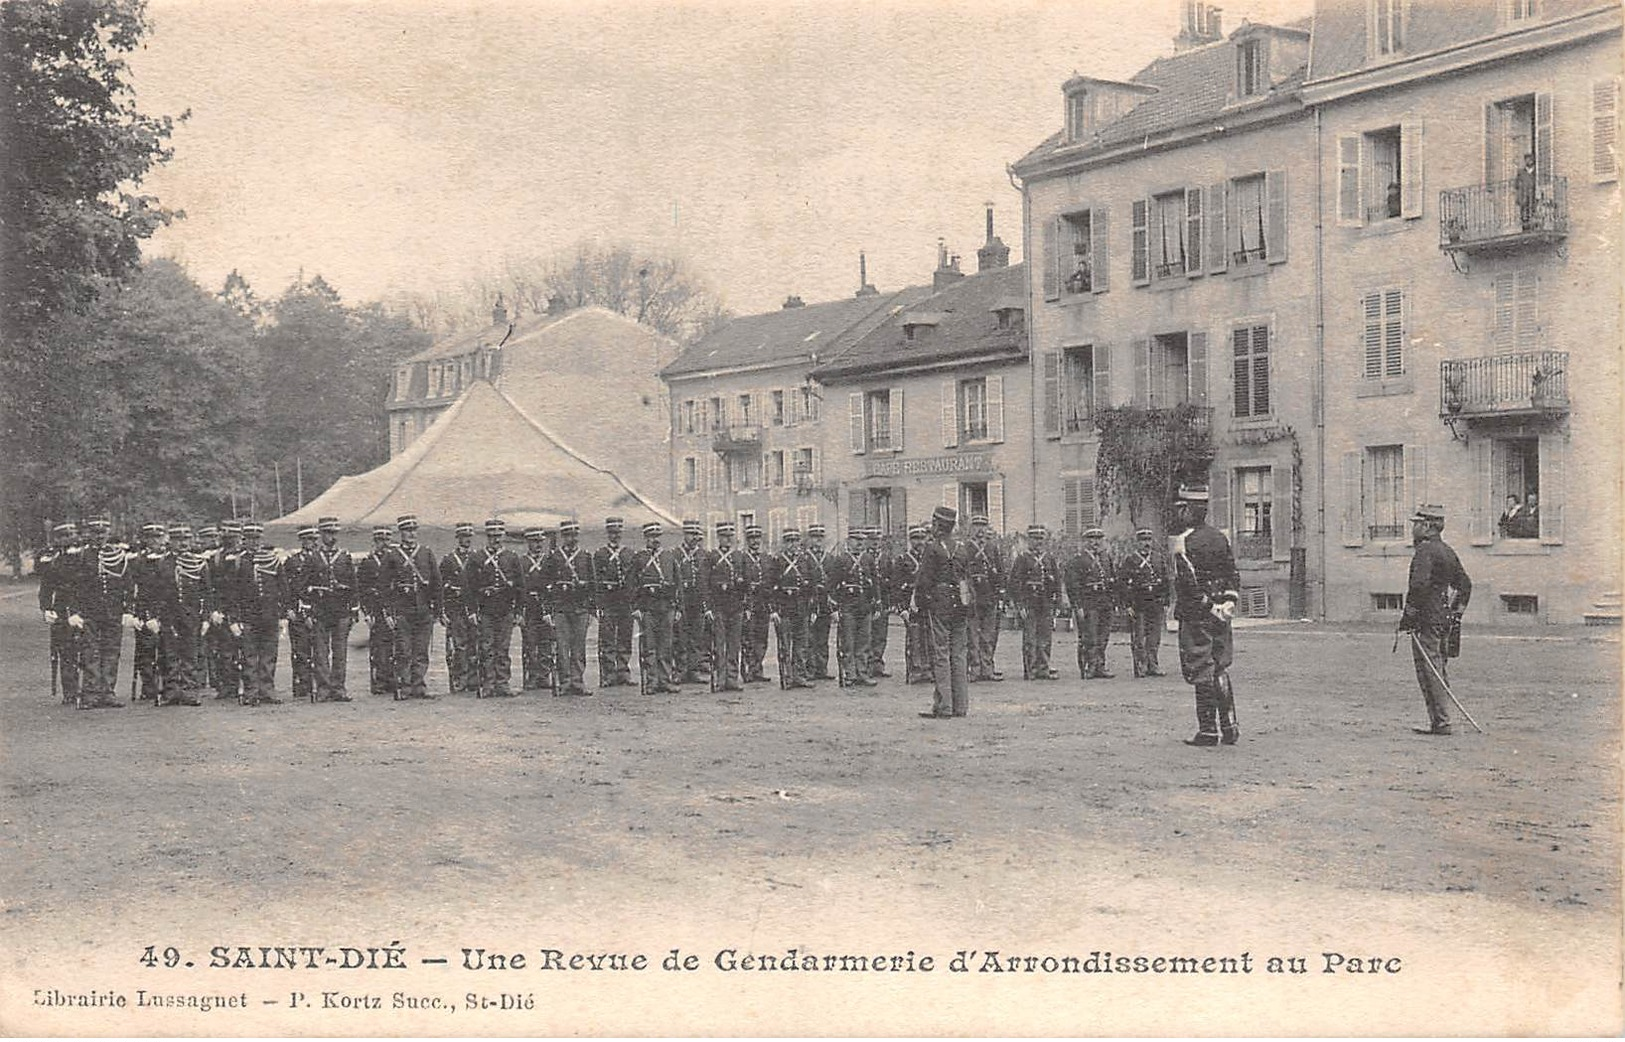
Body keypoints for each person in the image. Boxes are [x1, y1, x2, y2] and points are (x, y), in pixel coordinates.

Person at [1170, 485, 1241, 746]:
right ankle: (1230, 725)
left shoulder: (1183, 542)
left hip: (1196, 614)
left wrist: (1207, 605)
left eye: (1182, 509)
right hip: (1222, 612)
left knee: (1201, 668)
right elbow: (1232, 573)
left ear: (1190, 510)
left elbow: (1187, 583)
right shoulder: (1220, 538)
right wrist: (1228, 603)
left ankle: (1209, 730)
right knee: (1220, 666)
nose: (1180, 514)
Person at [1399, 504, 1473, 736]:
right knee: (1439, 667)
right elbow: (1465, 586)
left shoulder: (1425, 551)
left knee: (1429, 670)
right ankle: (1440, 720)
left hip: (1426, 621)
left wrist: (1409, 616)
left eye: (1417, 525)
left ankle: (1441, 722)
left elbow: (1418, 586)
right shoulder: (1447, 551)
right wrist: (1455, 613)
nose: (1414, 529)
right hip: (1443, 620)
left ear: (1428, 526)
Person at [63, 517, 135, 709]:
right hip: (90, 612)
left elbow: (127, 586)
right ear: (89, 533)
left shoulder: (119, 556)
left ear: (108, 533)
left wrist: (128, 610)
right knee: (90, 651)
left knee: (111, 651)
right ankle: (91, 693)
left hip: (113, 611)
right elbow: (72, 587)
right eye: (95, 532)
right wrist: (74, 612)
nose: (99, 536)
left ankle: (108, 692)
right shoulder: (80, 556)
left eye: (103, 533)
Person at [915, 506, 970, 718]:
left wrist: (921, 604)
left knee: (941, 654)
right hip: (960, 605)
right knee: (959, 655)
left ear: (938, 525)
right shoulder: (962, 549)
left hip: (939, 605)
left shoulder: (933, 549)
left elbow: (923, 581)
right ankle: (961, 706)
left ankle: (944, 706)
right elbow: (966, 580)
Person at [381, 513, 441, 700]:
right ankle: (404, 687)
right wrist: (388, 612)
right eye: (407, 530)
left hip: (423, 609)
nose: (411, 534)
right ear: (401, 533)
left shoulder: (426, 553)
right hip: (402, 610)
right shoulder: (392, 556)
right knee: (404, 651)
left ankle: (419, 686)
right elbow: (384, 586)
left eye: (414, 530)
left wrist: (437, 610)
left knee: (421, 651)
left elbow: (436, 583)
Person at [228, 521, 288, 706]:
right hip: (248, 617)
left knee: (269, 656)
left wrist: (283, 615)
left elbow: (283, 589)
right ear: (243, 540)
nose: (254, 542)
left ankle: (267, 690)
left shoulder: (272, 560)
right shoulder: (237, 562)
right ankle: (251, 692)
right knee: (249, 656)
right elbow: (231, 593)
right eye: (250, 539)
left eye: (257, 539)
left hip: (269, 615)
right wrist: (234, 619)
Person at [305, 516, 358, 702]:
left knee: (340, 652)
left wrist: (353, 611)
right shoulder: (312, 558)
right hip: (320, 611)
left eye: (334, 533)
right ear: (321, 535)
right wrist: (308, 612)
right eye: (327, 533)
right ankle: (323, 689)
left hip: (341, 611)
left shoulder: (345, 557)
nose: (331, 537)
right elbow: (306, 586)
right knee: (320, 652)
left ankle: (339, 688)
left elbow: (353, 585)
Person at [153, 524, 206, 706]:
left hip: (191, 616)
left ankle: (190, 692)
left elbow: (206, 592)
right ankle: (171, 692)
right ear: (171, 542)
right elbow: (155, 593)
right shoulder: (162, 563)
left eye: (186, 540)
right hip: (169, 615)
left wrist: (205, 617)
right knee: (169, 654)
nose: (182, 544)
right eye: (178, 540)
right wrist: (155, 616)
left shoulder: (199, 563)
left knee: (190, 654)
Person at [544, 519, 597, 696]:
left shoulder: (585, 556)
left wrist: (591, 610)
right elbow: (546, 584)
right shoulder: (554, 557)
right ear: (563, 537)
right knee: (562, 646)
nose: (571, 538)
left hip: (580, 608)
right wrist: (547, 610)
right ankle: (565, 681)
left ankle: (578, 681)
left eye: (574, 535)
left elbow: (592, 585)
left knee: (579, 647)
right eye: (567, 535)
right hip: (561, 608)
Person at [472, 518, 523, 698]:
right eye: (492, 536)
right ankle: (488, 684)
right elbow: (469, 587)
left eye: (498, 536)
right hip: (485, 610)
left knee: (503, 648)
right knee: (486, 648)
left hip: (505, 610)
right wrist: (472, 611)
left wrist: (518, 611)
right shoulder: (477, 557)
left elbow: (519, 586)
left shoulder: (511, 557)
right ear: (487, 537)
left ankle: (502, 684)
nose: (495, 540)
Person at [632, 521, 681, 694]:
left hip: (666, 607)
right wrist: (636, 607)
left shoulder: (669, 557)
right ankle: (652, 681)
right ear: (646, 538)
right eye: (652, 536)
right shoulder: (639, 558)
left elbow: (678, 583)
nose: (655, 540)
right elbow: (632, 585)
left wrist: (678, 608)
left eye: (657, 536)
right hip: (648, 608)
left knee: (666, 646)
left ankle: (665, 680)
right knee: (650, 647)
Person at [1009, 525, 1063, 681]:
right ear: (1029, 541)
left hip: (1045, 603)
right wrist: (1020, 605)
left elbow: (1057, 582)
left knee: (1045, 638)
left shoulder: (1049, 559)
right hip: (1029, 603)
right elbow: (1015, 583)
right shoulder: (1022, 559)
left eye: (1040, 539)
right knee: (1030, 639)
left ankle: (1043, 668)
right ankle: (1030, 669)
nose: (1038, 542)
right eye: (1034, 539)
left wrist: (1057, 602)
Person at [825, 524, 876, 687]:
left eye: (861, 540)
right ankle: (850, 674)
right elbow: (831, 585)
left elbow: (875, 583)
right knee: (848, 643)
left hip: (865, 606)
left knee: (864, 643)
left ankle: (862, 672)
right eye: (856, 540)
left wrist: (876, 604)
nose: (859, 543)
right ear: (849, 540)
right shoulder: (841, 559)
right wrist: (833, 609)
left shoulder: (868, 559)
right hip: (847, 607)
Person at [37, 521, 82, 705]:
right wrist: (46, 608)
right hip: (62, 609)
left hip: (83, 607)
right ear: (57, 539)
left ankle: (90, 688)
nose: (68, 539)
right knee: (65, 651)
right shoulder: (50, 559)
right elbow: (46, 587)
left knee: (87, 650)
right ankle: (70, 691)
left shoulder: (82, 556)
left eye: (71, 535)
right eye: (63, 536)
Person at [705, 520, 751, 691]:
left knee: (734, 645)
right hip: (718, 607)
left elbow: (747, 583)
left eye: (729, 537)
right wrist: (708, 608)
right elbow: (705, 584)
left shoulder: (740, 557)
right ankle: (720, 679)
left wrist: (747, 607)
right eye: (724, 537)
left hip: (736, 606)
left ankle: (732, 679)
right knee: (719, 645)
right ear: (718, 537)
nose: (727, 540)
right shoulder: (712, 557)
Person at [1117, 528, 1171, 678]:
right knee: (1139, 637)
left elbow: (1166, 580)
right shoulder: (1130, 560)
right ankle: (1140, 666)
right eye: (1143, 541)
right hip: (1138, 604)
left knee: (1154, 637)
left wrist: (1166, 601)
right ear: (1137, 543)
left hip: (1156, 603)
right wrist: (1127, 605)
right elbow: (1122, 583)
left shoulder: (1158, 559)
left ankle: (1153, 665)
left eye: (1148, 540)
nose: (1146, 544)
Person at [1064, 527, 1116, 679]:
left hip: (1105, 602)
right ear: (1085, 541)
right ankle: (1089, 666)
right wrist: (1077, 605)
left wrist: (1114, 600)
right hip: (1089, 603)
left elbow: (1112, 578)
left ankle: (1100, 665)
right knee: (1089, 636)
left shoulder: (1106, 558)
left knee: (1103, 636)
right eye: (1092, 539)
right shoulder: (1078, 560)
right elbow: (1072, 585)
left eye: (1099, 539)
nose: (1096, 542)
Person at [766, 528, 814, 690]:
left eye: (795, 541)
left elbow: (811, 586)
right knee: (785, 645)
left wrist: (811, 608)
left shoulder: (804, 560)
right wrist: (773, 610)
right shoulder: (778, 562)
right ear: (784, 543)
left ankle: (799, 676)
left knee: (801, 645)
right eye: (789, 541)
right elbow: (770, 588)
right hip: (784, 609)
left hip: (801, 608)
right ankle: (787, 677)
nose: (792, 545)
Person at [593, 517, 636, 686]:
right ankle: (608, 675)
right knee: (607, 639)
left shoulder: (628, 553)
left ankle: (623, 673)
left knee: (625, 638)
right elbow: (596, 581)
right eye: (612, 533)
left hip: (625, 602)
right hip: (608, 603)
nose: (615, 536)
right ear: (607, 534)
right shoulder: (600, 554)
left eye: (617, 533)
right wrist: (599, 604)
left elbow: (633, 579)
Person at [964, 515, 1007, 682]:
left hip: (989, 597)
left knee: (988, 635)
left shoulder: (992, 548)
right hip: (973, 599)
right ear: (971, 528)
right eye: (976, 526)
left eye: (983, 526)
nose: (980, 529)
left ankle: (987, 668)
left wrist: (1001, 594)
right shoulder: (966, 548)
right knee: (972, 636)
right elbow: (961, 574)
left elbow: (1001, 573)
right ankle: (974, 669)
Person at [130, 522, 169, 702]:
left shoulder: (169, 559)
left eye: (158, 537)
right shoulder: (137, 561)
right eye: (150, 538)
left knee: (167, 650)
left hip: (167, 611)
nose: (154, 541)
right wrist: (138, 614)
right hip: (144, 609)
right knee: (145, 651)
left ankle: (168, 686)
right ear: (145, 540)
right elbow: (133, 589)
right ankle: (149, 687)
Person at [207, 521, 246, 700]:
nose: (232, 541)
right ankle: (227, 686)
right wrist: (213, 610)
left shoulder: (245, 557)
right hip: (222, 610)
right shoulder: (214, 558)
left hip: (243, 609)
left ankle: (248, 685)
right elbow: (209, 587)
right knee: (224, 651)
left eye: (234, 537)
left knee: (246, 650)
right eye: (228, 537)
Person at [283, 526, 322, 702]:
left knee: (320, 650)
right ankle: (301, 685)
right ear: (302, 541)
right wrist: (288, 608)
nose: (313, 543)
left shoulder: (321, 559)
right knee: (300, 651)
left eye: (315, 540)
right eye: (309, 540)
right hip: (297, 611)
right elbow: (286, 588)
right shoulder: (293, 561)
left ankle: (320, 684)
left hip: (318, 610)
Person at [439, 522, 478, 694]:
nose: (467, 540)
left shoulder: (477, 558)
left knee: (474, 643)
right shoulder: (449, 560)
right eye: (463, 537)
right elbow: (440, 585)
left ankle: (473, 679)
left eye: (469, 537)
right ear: (458, 538)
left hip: (473, 608)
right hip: (456, 608)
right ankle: (460, 679)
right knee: (459, 645)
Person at [357, 526, 396, 697]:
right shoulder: (368, 562)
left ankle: (394, 680)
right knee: (378, 648)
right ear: (375, 542)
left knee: (396, 646)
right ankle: (379, 682)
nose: (384, 544)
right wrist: (367, 612)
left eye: (387, 540)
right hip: (375, 609)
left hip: (393, 608)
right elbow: (362, 589)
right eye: (380, 540)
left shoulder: (396, 559)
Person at [891, 524, 931, 684]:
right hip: (911, 605)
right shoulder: (903, 560)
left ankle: (928, 670)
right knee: (914, 639)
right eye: (915, 539)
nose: (919, 542)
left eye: (921, 538)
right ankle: (916, 670)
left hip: (927, 604)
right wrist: (901, 608)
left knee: (930, 638)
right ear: (910, 541)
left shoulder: (930, 559)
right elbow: (896, 585)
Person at [675, 519, 709, 684]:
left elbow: (707, 581)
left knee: (696, 638)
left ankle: (694, 670)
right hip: (682, 601)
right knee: (680, 637)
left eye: (696, 534)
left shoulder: (703, 555)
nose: (694, 538)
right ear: (684, 535)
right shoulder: (676, 554)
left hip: (698, 601)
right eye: (690, 534)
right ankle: (681, 670)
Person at [739, 524, 772, 684]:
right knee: (748, 638)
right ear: (747, 541)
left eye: (757, 538)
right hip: (749, 604)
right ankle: (747, 670)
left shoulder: (767, 559)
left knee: (762, 638)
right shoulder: (742, 558)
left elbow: (771, 581)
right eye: (752, 539)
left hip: (763, 604)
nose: (755, 542)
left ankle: (758, 669)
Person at [802, 523, 834, 680]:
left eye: (820, 538)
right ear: (810, 539)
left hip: (825, 602)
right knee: (810, 638)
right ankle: (810, 669)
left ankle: (822, 668)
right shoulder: (805, 558)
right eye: (815, 538)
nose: (818, 541)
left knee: (823, 637)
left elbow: (834, 580)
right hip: (810, 602)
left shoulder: (829, 558)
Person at [865, 528, 892, 678]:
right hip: (869, 600)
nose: (875, 543)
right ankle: (867, 665)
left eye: (877, 540)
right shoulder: (864, 557)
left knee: (881, 634)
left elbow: (892, 578)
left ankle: (878, 664)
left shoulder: (885, 558)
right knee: (868, 633)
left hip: (883, 601)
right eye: (872, 540)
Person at [1515, 151, 1537, 230]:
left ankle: (1533, 225)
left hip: (1534, 195)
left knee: (1533, 210)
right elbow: (1516, 185)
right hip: (1524, 195)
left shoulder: (1537, 171)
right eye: (1527, 159)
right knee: (1524, 212)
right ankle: (1525, 226)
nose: (1529, 161)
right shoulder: (1521, 172)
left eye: (1530, 159)